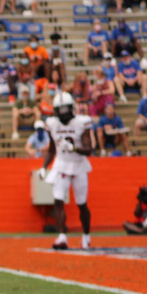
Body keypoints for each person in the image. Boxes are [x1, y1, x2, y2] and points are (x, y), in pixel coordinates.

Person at [44, 91, 95, 250]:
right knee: (58, 200)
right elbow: (51, 149)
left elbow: (89, 149)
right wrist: (43, 167)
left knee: (81, 203)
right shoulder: (52, 123)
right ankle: (62, 237)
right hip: (61, 164)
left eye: (66, 108)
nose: (64, 113)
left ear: (72, 108)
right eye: (61, 109)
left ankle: (86, 235)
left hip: (79, 164)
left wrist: (73, 147)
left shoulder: (82, 122)